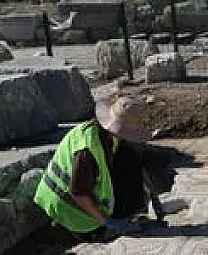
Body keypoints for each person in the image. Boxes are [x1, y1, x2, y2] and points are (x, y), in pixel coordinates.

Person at [35, 96, 171, 238]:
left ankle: (125, 213)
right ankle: (97, 228)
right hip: (69, 208)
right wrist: (108, 223)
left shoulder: (109, 134)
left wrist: (153, 195)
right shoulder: (87, 150)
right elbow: (77, 193)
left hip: (80, 193)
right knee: (97, 227)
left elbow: (136, 165)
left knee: (130, 156)